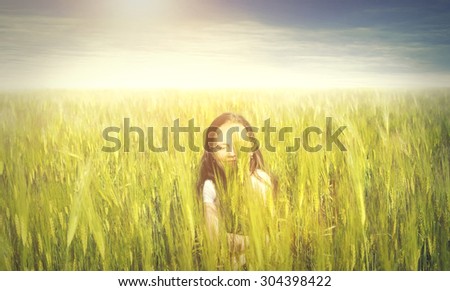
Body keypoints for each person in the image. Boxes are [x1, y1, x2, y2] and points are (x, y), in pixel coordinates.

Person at [196, 112, 277, 269]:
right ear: (211, 153)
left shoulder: (262, 181)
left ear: (252, 149)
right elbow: (214, 239)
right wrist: (253, 241)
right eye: (223, 146)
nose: (232, 152)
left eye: (240, 145)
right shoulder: (211, 186)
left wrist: (233, 240)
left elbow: (271, 239)